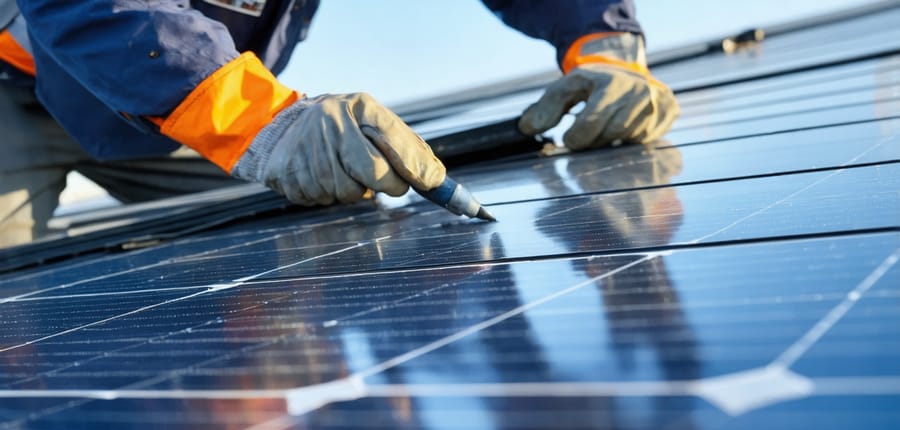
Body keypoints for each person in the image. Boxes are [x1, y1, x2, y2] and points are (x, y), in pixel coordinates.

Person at [0, 0, 679, 247]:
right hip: (17, 94)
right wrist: (257, 120)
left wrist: (602, 41)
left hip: (174, 112)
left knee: (281, 257)